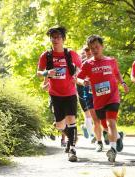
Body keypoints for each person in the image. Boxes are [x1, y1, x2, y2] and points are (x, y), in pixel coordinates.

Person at [77, 35, 129, 162]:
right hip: (98, 100)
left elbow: (117, 73)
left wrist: (122, 83)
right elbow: (77, 78)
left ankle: (112, 149)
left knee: (111, 122)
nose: (95, 50)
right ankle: (117, 138)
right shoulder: (87, 64)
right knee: (105, 126)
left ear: (102, 46)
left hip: (112, 97)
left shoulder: (111, 61)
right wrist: (83, 82)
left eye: (97, 47)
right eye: (92, 48)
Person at [37, 26, 82, 162]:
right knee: (60, 125)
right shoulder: (46, 55)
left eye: (58, 37)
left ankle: (72, 149)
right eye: (53, 37)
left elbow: (80, 67)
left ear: (63, 39)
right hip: (55, 95)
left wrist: (76, 75)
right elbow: (38, 73)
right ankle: (70, 137)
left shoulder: (70, 54)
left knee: (71, 120)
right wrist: (46, 73)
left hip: (70, 93)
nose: (55, 40)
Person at [77, 46, 110, 152]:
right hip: (89, 94)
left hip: (102, 93)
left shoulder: (101, 62)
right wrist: (83, 82)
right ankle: (99, 142)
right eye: (85, 51)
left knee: (105, 118)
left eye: (89, 51)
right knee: (95, 120)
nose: (87, 53)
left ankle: (107, 133)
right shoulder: (83, 65)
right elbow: (76, 79)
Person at [41, 78, 66, 147]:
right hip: (54, 100)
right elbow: (44, 87)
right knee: (59, 120)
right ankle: (52, 130)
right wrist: (51, 83)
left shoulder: (66, 69)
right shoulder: (49, 73)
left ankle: (63, 140)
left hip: (66, 99)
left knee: (64, 120)